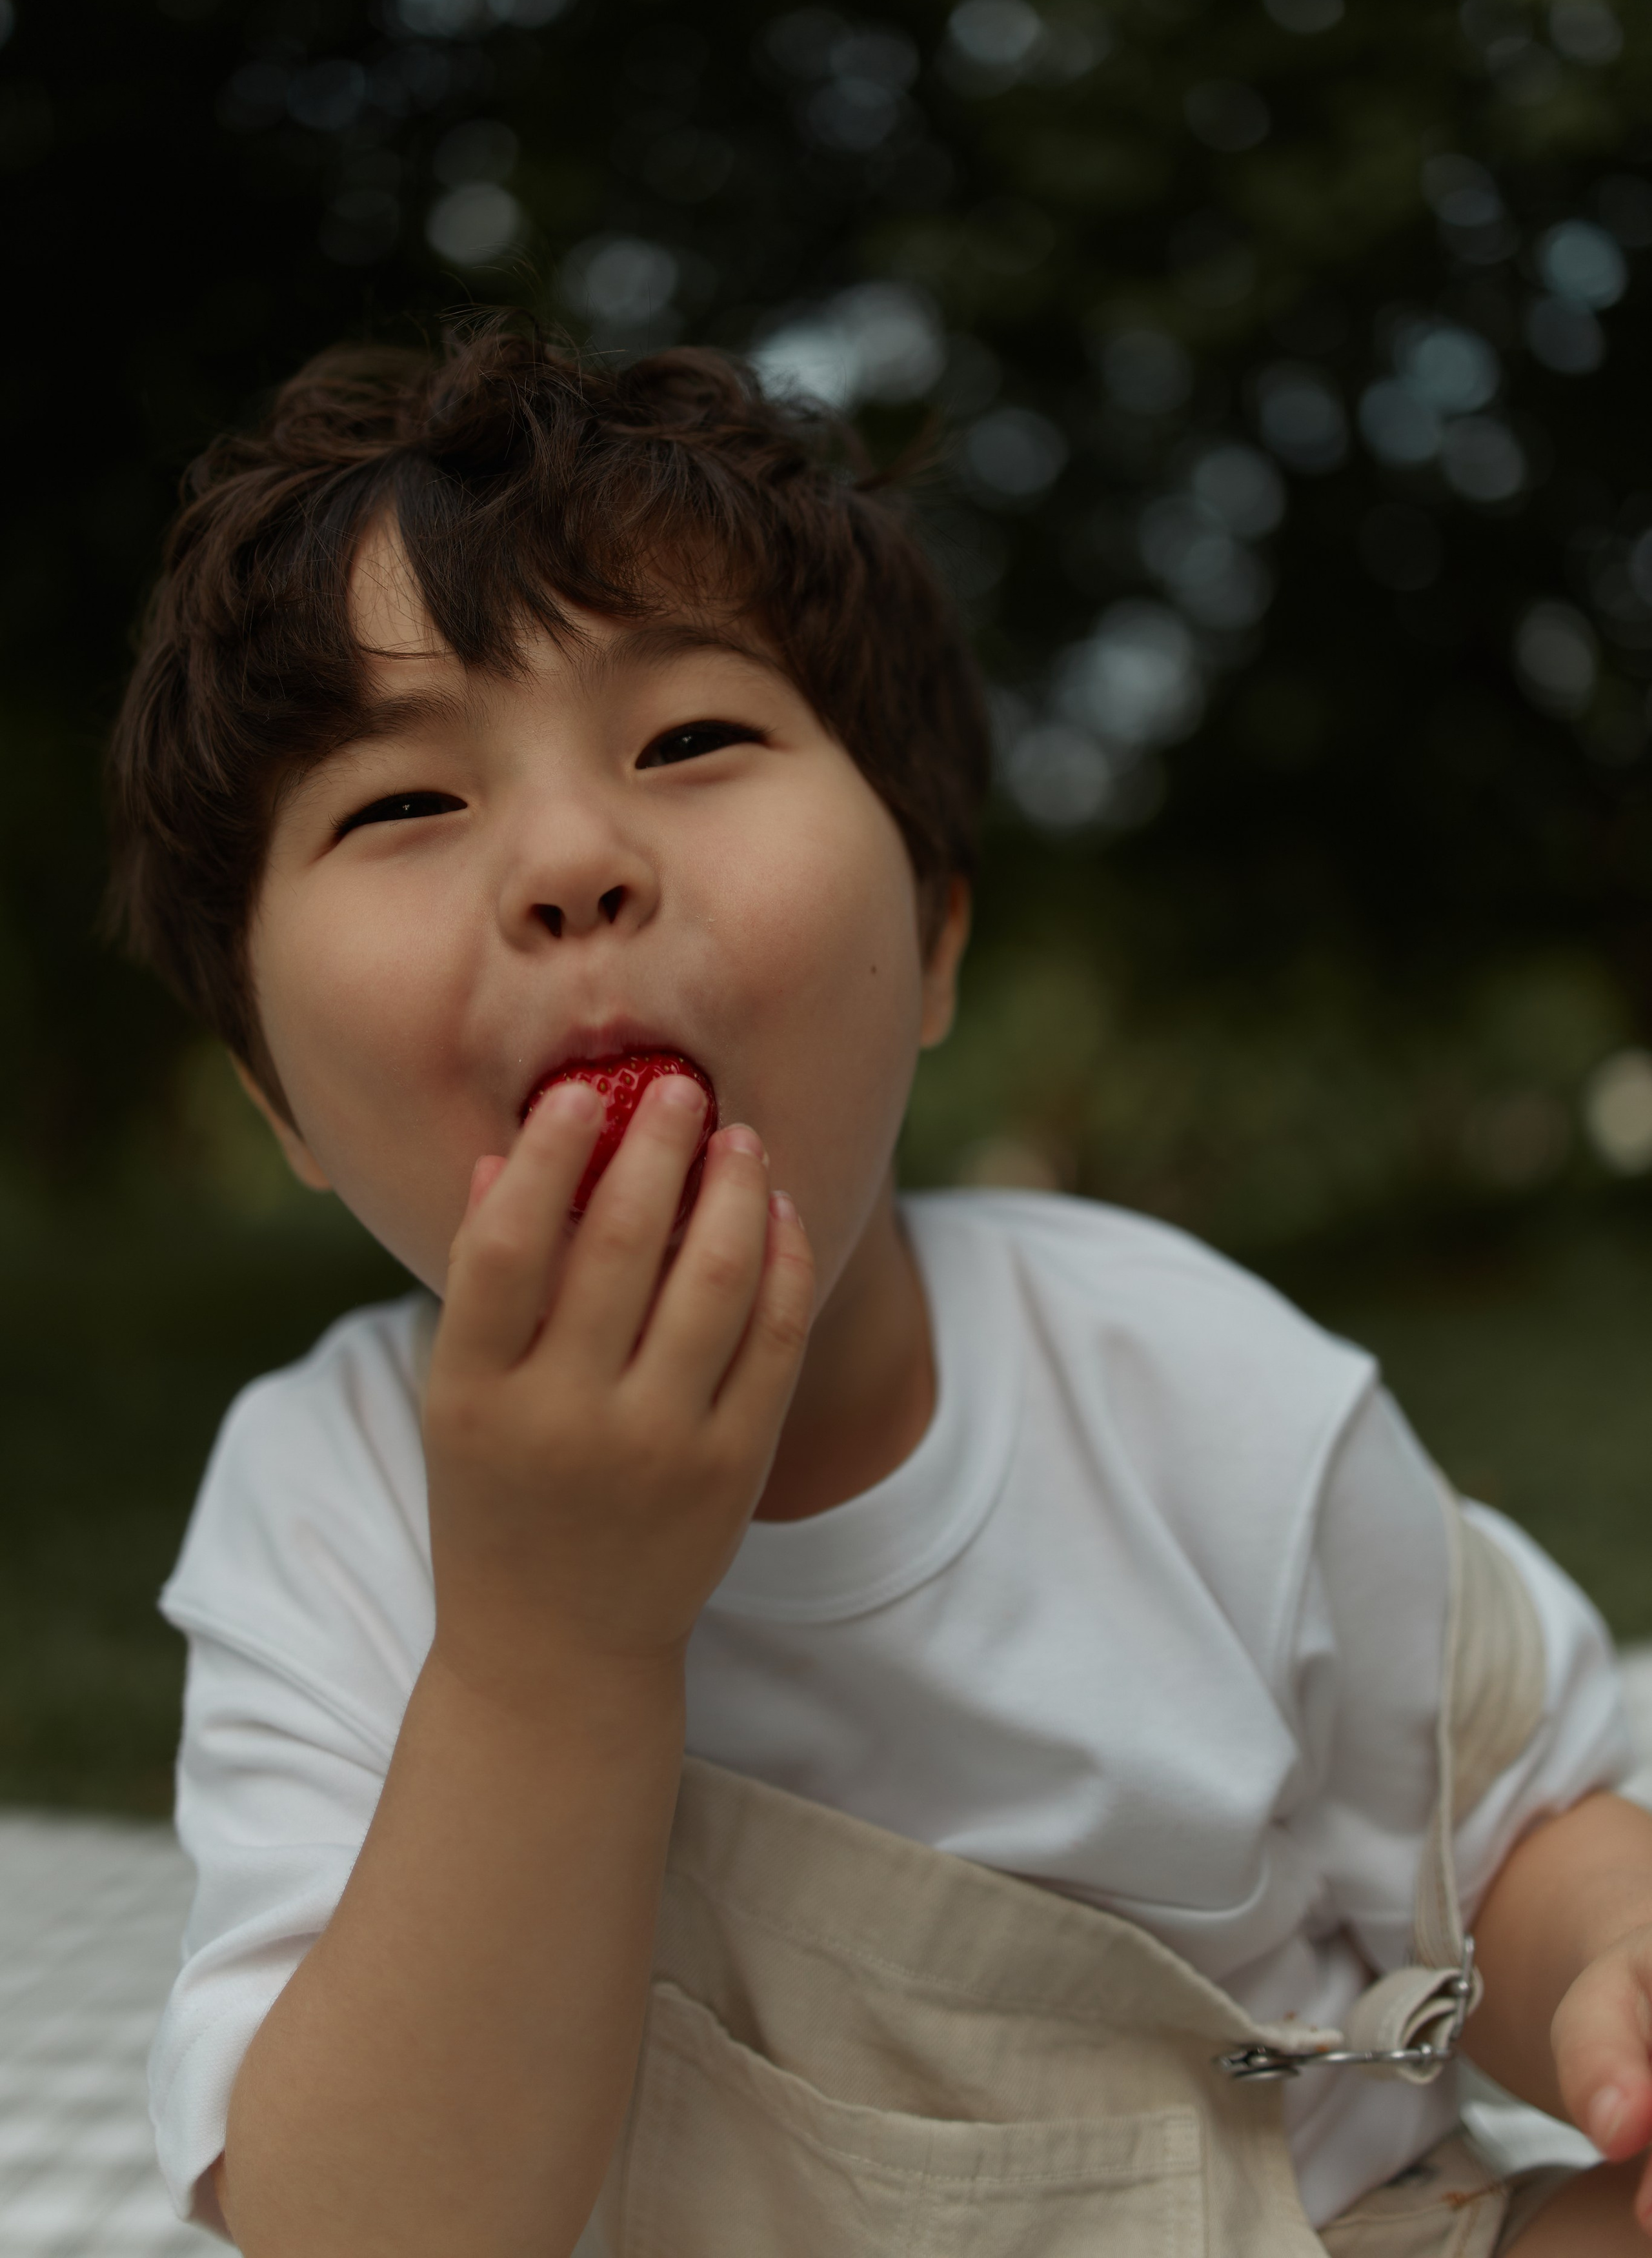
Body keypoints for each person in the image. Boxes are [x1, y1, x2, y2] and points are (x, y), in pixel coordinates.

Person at [110, 324, 1652, 2256]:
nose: (573, 862)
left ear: (927, 944)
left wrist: (1606, 1963)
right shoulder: (326, 1505)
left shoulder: (1184, 1382)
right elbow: (366, 2224)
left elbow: (1505, 1839)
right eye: (401, 807)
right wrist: (544, 1646)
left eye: (691, 741)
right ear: (282, 1100)